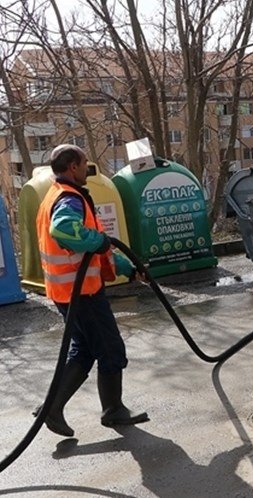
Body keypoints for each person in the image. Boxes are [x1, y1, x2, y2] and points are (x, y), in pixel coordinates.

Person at [35, 144, 148, 437]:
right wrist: (95, 241)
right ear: (73, 166)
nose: (87, 168)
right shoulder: (69, 199)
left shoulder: (56, 194)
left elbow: (97, 249)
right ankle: (113, 410)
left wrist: (126, 266)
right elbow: (63, 230)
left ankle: (52, 407)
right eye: (84, 163)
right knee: (110, 348)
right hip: (80, 292)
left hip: (67, 292)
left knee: (83, 351)